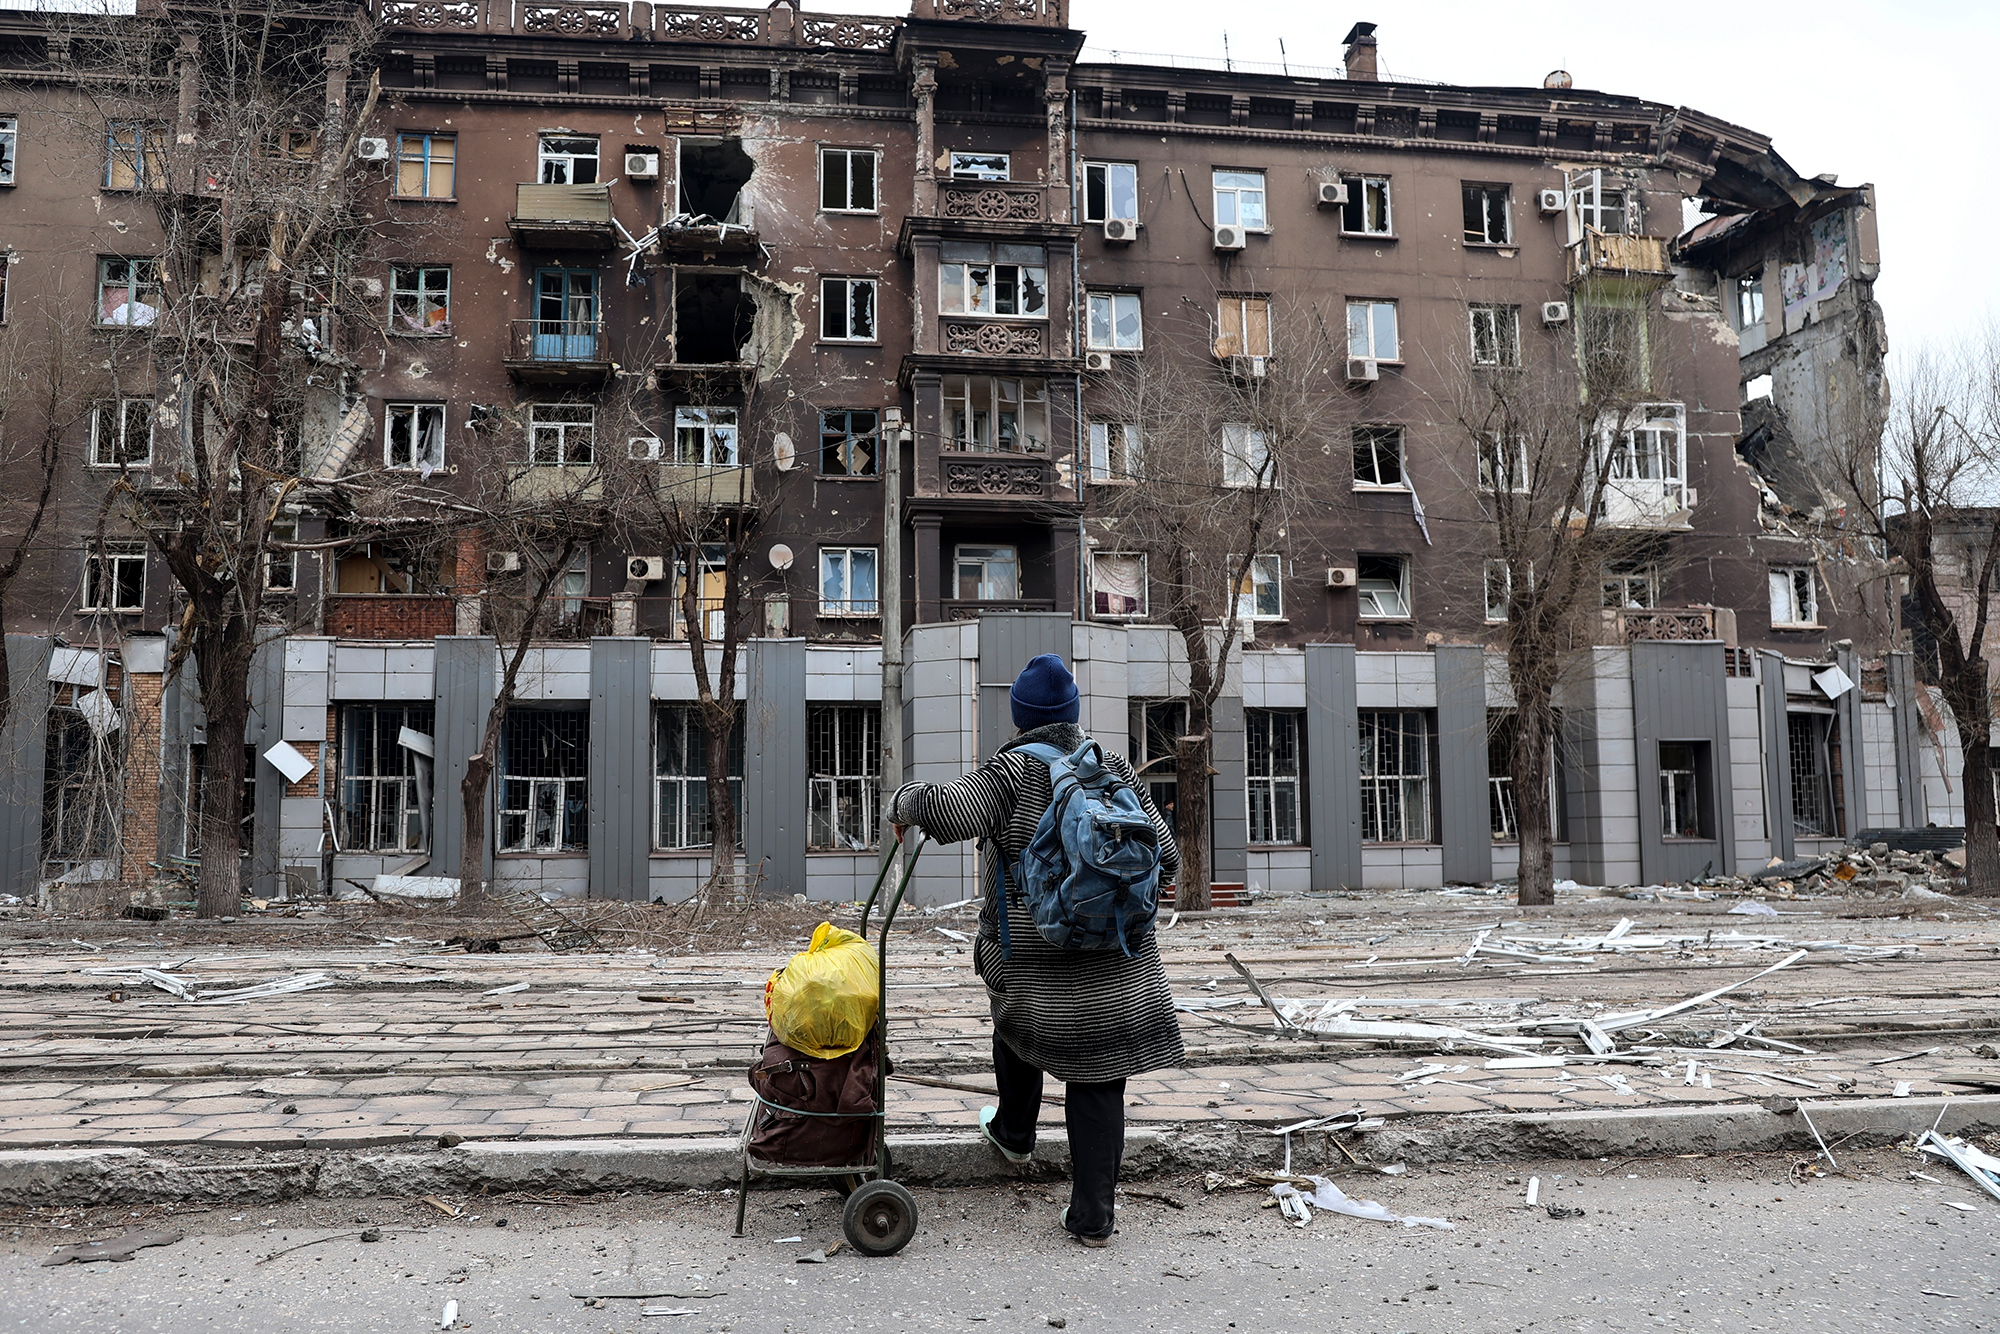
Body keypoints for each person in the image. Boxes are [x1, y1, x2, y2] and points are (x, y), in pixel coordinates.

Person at [888, 653, 1181, 1247]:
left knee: (1014, 1021)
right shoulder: (1112, 768)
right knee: (1100, 1078)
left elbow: (941, 807)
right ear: (1072, 716)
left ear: (1021, 717)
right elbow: (1168, 855)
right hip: (1120, 960)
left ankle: (1015, 1134)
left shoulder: (1010, 773)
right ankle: (1094, 1216)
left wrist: (902, 802)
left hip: (1036, 958)